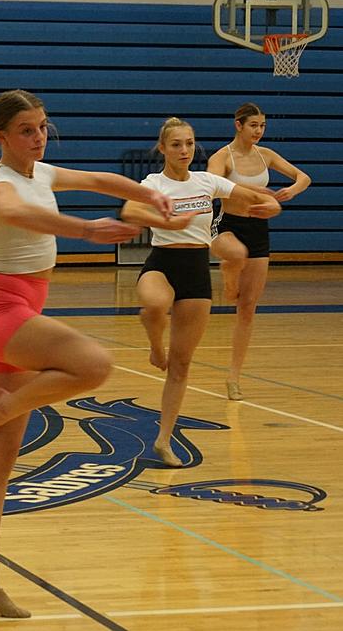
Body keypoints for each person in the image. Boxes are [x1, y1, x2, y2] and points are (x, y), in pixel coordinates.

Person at [0, 90, 173, 619]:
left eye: (42, 127)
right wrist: (86, 230)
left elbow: (101, 181)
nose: (38, 137)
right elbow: (18, 214)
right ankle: (9, 407)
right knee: (95, 364)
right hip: (0, 313)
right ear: (0, 137)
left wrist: (151, 197)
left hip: (12, 317)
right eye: (26, 130)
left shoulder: (43, 173)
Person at [121, 117, 280, 469]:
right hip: (163, 262)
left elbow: (253, 196)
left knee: (181, 365)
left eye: (189, 143)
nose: (184, 150)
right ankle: (154, 346)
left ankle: (164, 439)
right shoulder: (153, 182)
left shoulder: (207, 181)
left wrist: (271, 204)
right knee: (154, 303)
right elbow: (131, 209)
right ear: (162, 148)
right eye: (176, 144)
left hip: (196, 272)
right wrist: (165, 221)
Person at [207, 103, 310, 400]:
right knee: (236, 254)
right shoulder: (222, 158)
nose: (259, 131)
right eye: (254, 125)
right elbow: (213, 187)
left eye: (263, 126)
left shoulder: (266, 155)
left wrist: (291, 192)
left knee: (248, 309)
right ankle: (228, 278)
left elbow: (303, 177)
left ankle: (234, 378)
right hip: (227, 225)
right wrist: (257, 195)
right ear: (238, 125)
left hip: (258, 231)